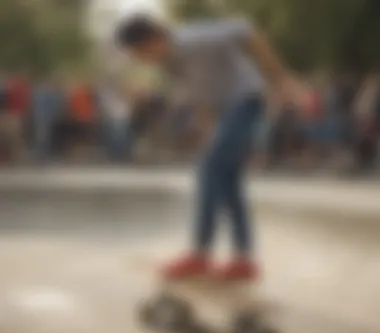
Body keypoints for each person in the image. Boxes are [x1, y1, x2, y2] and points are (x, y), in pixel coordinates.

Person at [116, 15, 305, 281]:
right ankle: (243, 260)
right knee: (228, 181)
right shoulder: (168, 64)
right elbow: (202, 95)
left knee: (209, 169)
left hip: (247, 101)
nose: (144, 60)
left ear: (155, 38)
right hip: (225, 111)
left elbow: (247, 29)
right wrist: (210, 131)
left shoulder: (196, 39)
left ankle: (199, 254)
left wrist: (281, 79)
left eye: (142, 52)